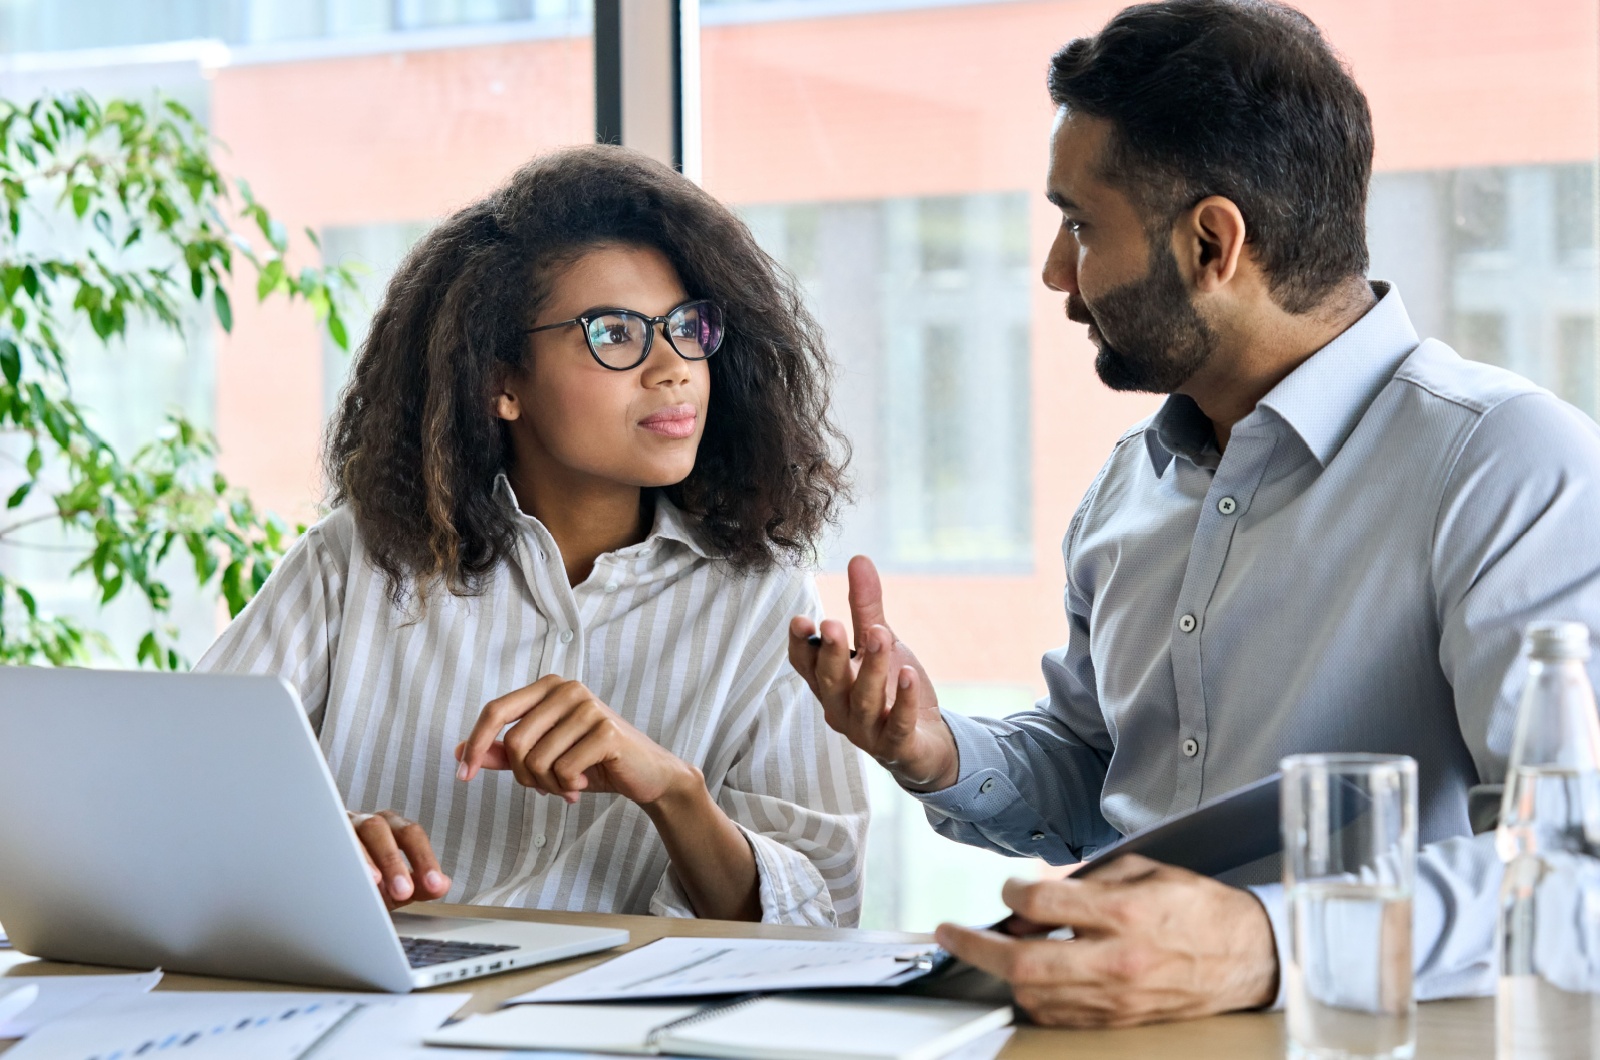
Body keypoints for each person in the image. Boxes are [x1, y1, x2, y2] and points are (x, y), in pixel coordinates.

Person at [789, 0, 1600, 1027]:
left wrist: (1265, 941)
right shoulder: (1132, 483)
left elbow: (1578, 869)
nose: (1054, 273)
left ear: (1214, 242)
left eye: (1080, 226)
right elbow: (1095, 774)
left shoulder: (1506, 466)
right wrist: (935, 750)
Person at [198, 145, 868, 927]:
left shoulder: (762, 598)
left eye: (687, 327)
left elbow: (823, 917)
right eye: (615, 333)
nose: (673, 367)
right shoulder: (357, 561)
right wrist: (315, 843)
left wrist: (674, 791)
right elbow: (174, 790)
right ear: (499, 382)